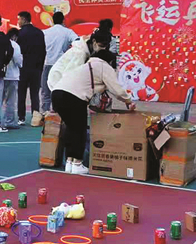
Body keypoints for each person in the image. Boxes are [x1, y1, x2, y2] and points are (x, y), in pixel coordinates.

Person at [50, 27, 135, 175]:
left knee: (71, 128)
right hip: (73, 97)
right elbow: (117, 89)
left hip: (57, 93)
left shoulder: (88, 63)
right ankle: (77, 163)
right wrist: (128, 101)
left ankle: (69, 162)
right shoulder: (102, 66)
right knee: (79, 130)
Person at [41, 11, 77, 114]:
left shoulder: (45, 32)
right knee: (60, 90)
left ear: (52, 20)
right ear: (63, 20)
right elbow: (77, 41)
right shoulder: (68, 32)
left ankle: (45, 113)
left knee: (45, 91)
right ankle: (59, 112)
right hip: (62, 65)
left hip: (47, 63)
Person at [16, 11, 46, 127]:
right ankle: (35, 116)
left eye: (19, 19)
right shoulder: (39, 33)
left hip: (22, 68)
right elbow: (43, 51)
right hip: (36, 68)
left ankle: (21, 117)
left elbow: (17, 52)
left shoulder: (20, 34)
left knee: (21, 93)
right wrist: (40, 67)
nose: (18, 22)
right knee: (34, 94)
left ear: (24, 19)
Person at [0, 28, 22, 132]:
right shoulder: (15, 45)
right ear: (14, 36)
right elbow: (18, 61)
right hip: (12, 76)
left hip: (1, 75)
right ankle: (9, 121)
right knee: (10, 100)